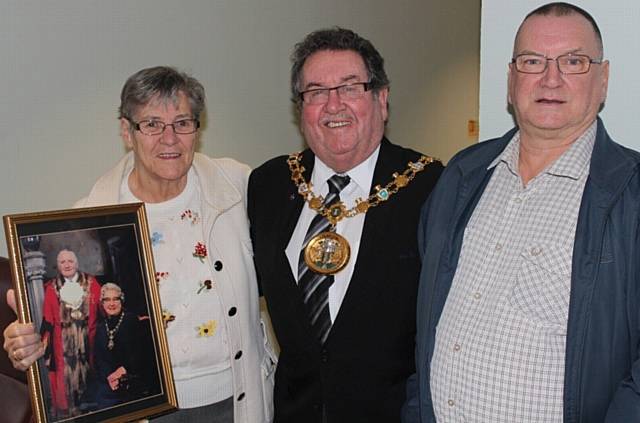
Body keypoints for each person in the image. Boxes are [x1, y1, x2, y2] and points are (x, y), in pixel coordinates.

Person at [403, 3, 640, 422]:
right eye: (532, 61)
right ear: (511, 79)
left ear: (603, 80)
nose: (551, 78)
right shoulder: (462, 174)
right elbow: (422, 322)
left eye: (574, 61)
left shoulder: (631, 194)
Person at [3, 66, 275, 423]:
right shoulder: (89, 219)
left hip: (238, 397)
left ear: (197, 129)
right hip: (146, 409)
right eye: (151, 124)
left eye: (182, 122)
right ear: (126, 132)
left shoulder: (238, 187)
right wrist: (28, 343)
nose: (169, 138)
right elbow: (72, 332)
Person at [248, 27, 443, 423]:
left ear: (382, 100)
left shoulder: (432, 187)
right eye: (316, 92)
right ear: (300, 108)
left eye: (350, 87)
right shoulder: (269, 184)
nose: (333, 105)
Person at [40, 248, 101, 418]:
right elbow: (48, 320)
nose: (67, 265)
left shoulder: (92, 282)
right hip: (62, 344)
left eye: (70, 261)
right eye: (62, 262)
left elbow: (104, 307)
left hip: (89, 340)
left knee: (91, 377)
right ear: (57, 266)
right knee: (65, 380)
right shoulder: (51, 288)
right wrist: (46, 348)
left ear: (77, 263)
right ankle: (72, 412)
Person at [94, 283, 157, 408]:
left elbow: (141, 353)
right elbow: (99, 359)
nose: (111, 304)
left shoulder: (132, 320)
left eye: (115, 299)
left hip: (134, 379)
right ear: (102, 303)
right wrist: (109, 377)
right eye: (107, 300)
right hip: (110, 383)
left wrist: (121, 372)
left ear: (121, 300)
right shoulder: (101, 327)